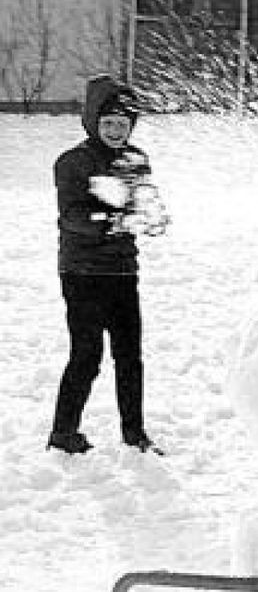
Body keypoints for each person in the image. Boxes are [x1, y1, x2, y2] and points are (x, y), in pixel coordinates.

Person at [49, 74, 159, 455]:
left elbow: (147, 204)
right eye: (108, 123)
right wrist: (111, 218)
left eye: (122, 124)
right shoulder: (72, 163)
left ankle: (135, 434)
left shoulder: (135, 159)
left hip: (123, 272)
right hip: (82, 273)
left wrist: (153, 217)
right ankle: (63, 433)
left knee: (130, 356)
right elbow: (72, 217)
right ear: (93, 122)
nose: (115, 130)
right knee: (87, 355)